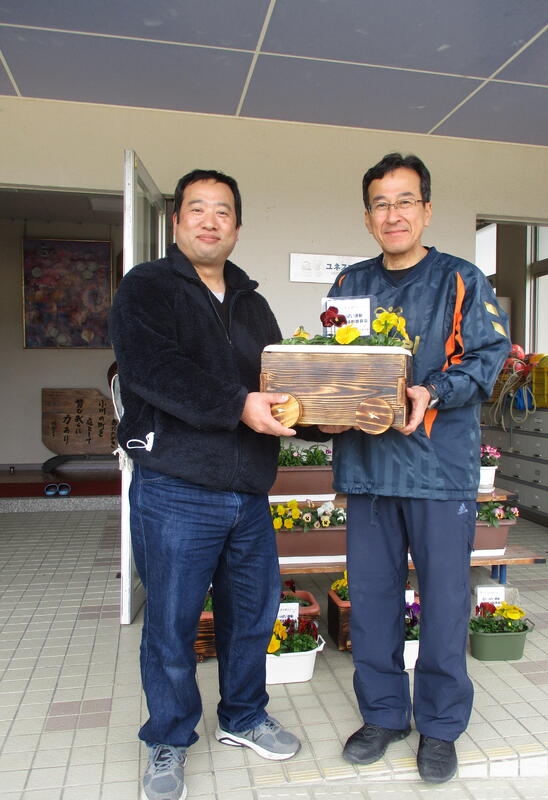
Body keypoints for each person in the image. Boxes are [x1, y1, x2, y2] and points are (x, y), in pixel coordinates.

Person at [109, 168, 300, 800]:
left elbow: (276, 383)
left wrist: (322, 410)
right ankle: (168, 736)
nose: (210, 221)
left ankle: (242, 716)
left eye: (223, 211)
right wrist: (239, 405)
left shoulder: (252, 302)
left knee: (251, 617)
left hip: (249, 490)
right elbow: (152, 370)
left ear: (237, 227)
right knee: (172, 624)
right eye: (197, 208)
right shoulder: (146, 288)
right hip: (177, 488)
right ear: (176, 222)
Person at [320, 153, 511, 783]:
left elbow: (488, 358)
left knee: (445, 603)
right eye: (380, 203)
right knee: (371, 602)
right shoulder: (350, 284)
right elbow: (335, 363)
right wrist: (324, 409)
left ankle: (440, 725)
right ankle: (383, 716)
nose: (393, 214)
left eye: (405, 201)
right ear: (368, 218)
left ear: (426, 211)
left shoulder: (461, 279)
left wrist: (433, 391)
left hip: (438, 471)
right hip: (368, 470)